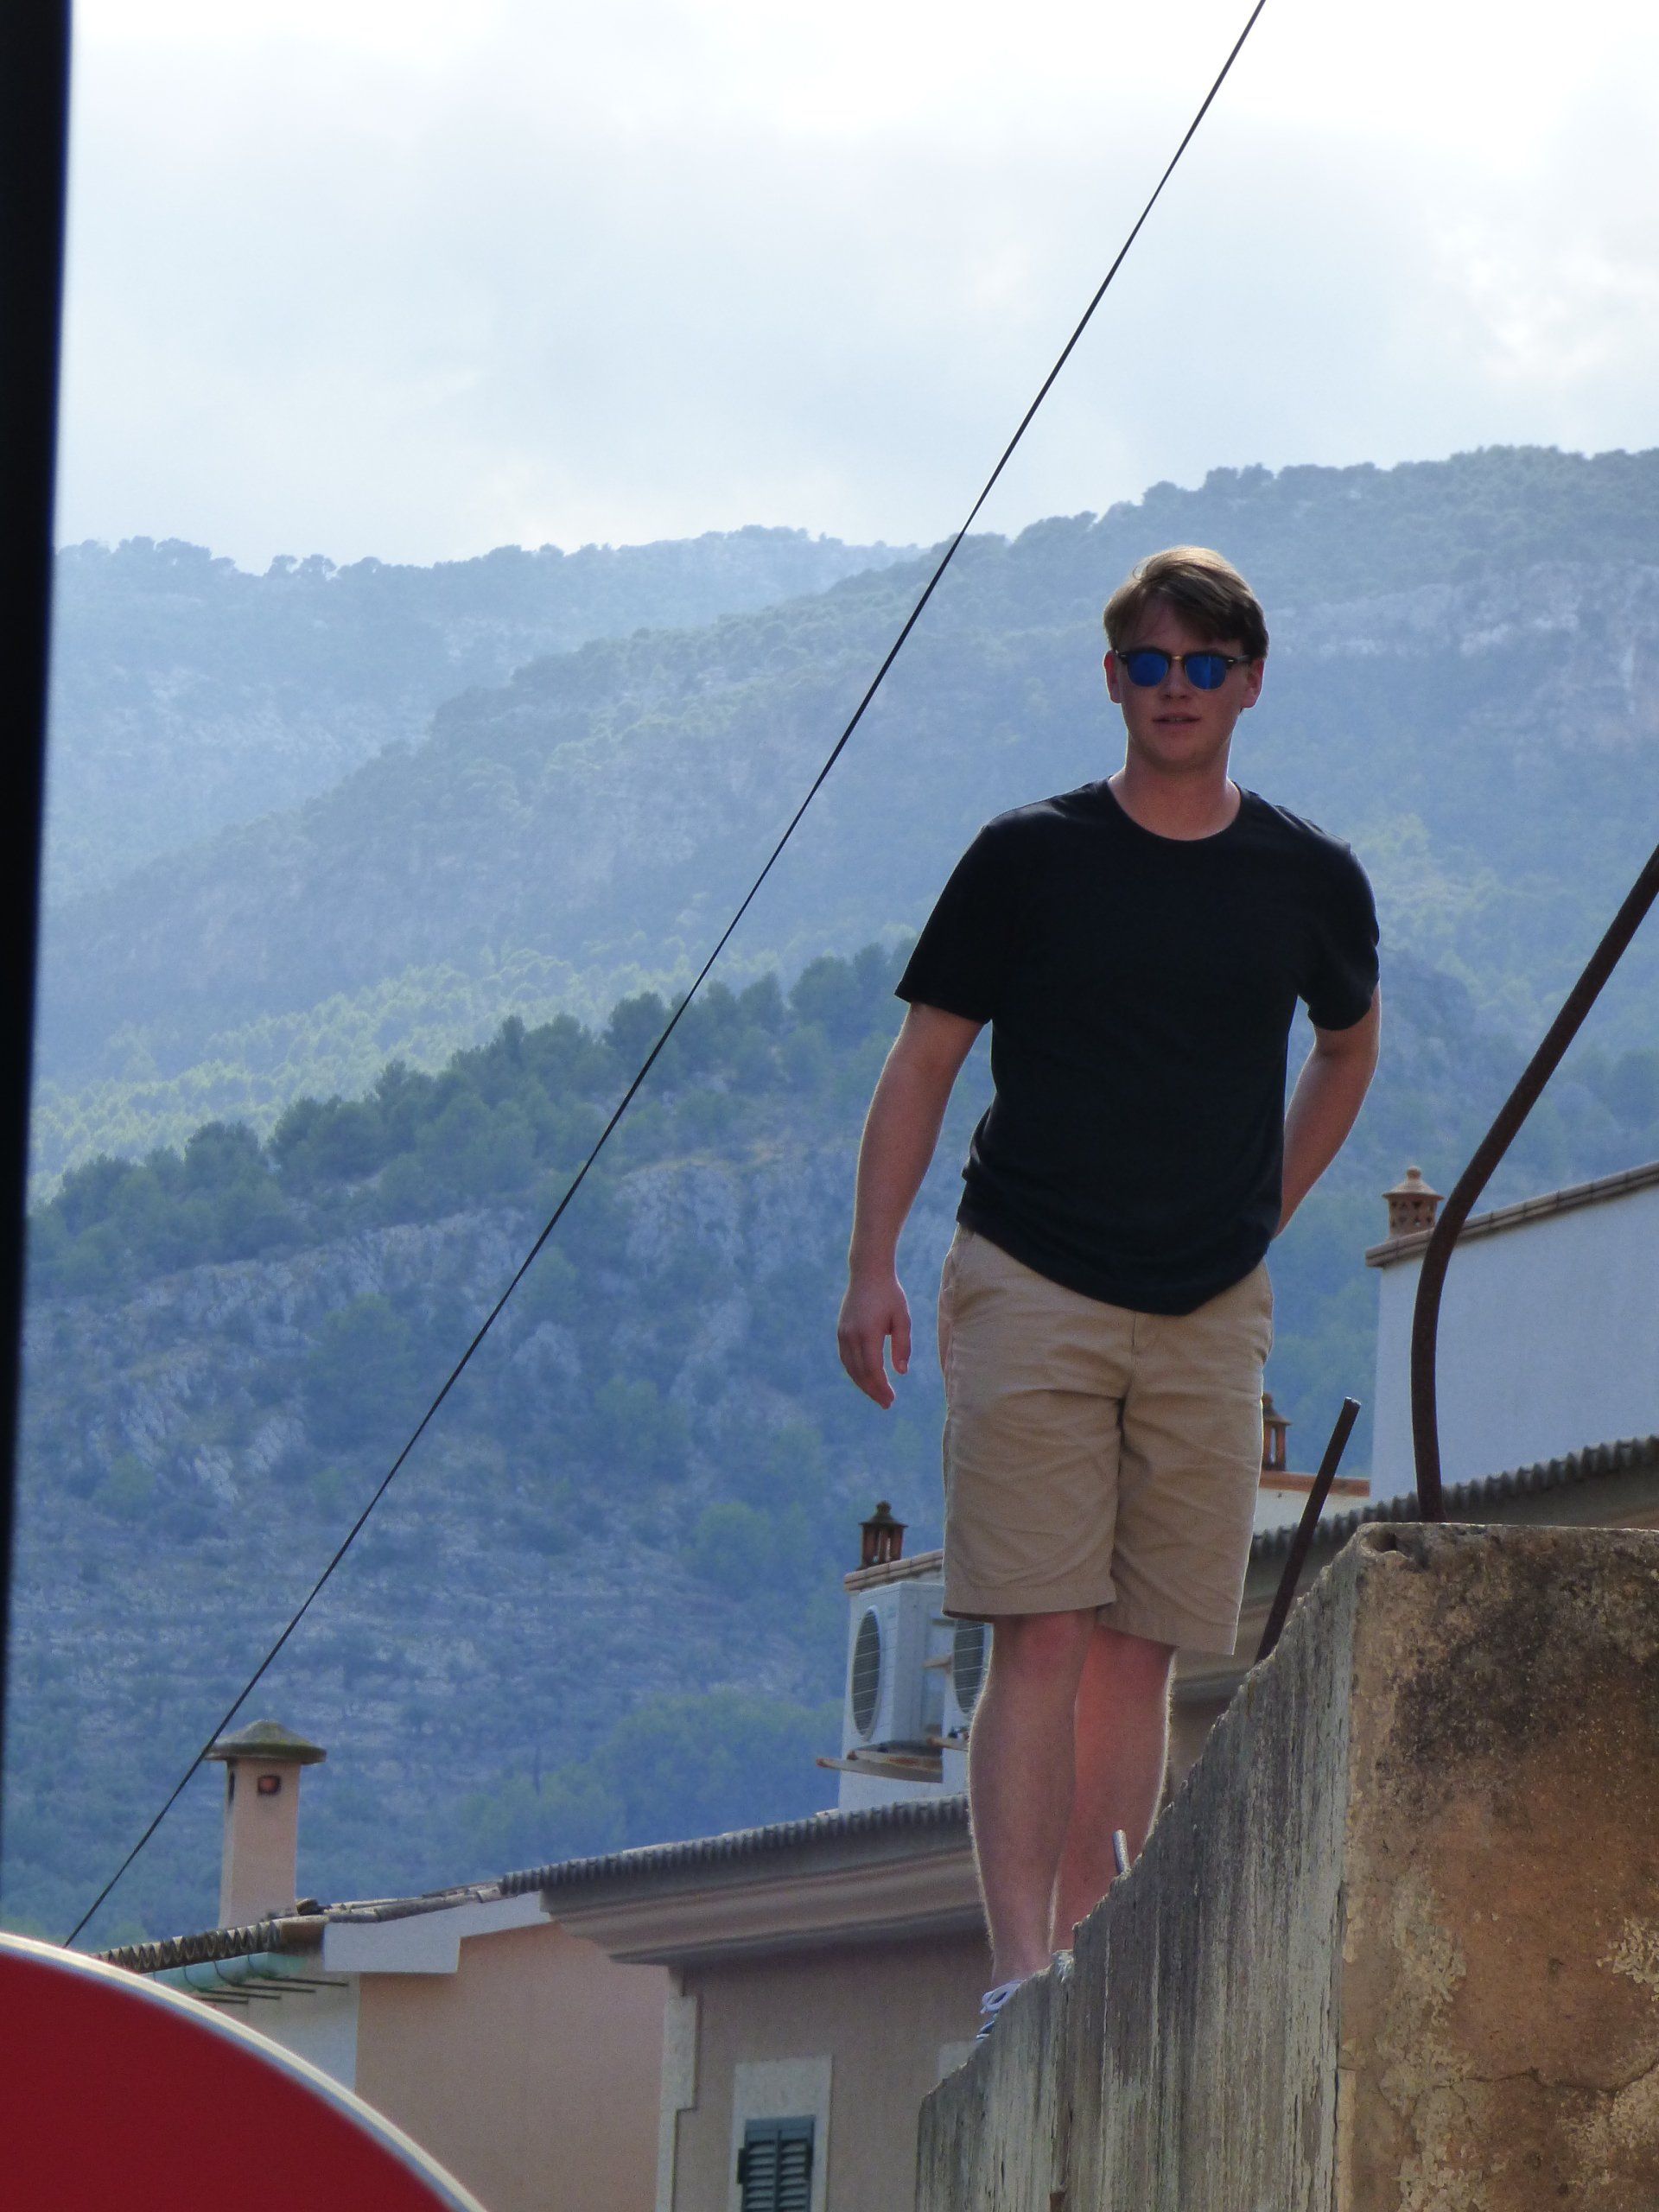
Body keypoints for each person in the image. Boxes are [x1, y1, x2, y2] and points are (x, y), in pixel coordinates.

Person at [836, 545, 1380, 2040]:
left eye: (1207, 666)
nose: (1179, 690)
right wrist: (874, 1263)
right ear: (1114, 680)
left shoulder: (1307, 879)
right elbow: (925, 1062)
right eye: (1152, 663)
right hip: (1032, 1277)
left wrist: (1268, 1202)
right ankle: (1020, 1975)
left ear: (1250, 683)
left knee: (1145, 1645)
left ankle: (1095, 1962)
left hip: (1212, 1304)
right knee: (1043, 1629)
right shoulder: (1029, 858)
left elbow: (1349, 1047)